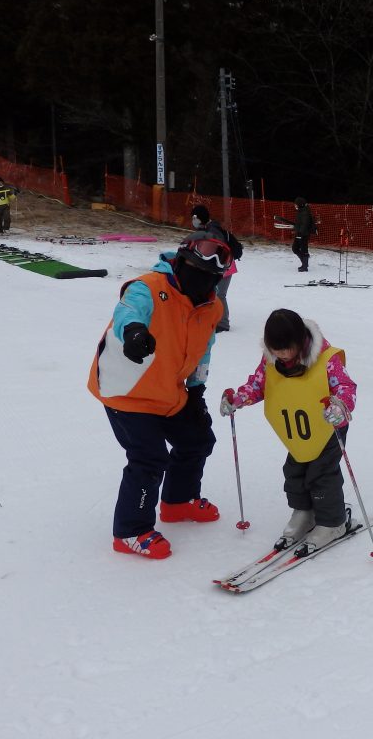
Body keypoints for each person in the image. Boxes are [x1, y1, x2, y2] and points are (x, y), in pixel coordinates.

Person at [87, 232, 232, 559]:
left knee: (197, 439)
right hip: (127, 389)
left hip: (168, 389)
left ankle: (178, 501)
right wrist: (135, 332)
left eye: (212, 275)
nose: (203, 279)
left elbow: (203, 351)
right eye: (198, 269)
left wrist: (197, 392)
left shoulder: (211, 305)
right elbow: (128, 311)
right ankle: (131, 530)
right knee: (149, 457)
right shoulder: (149, 286)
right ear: (182, 260)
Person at [220, 309, 357, 555]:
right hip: (297, 433)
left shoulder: (327, 359)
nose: (282, 354)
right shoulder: (272, 360)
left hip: (328, 428)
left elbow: (345, 386)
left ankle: (332, 522)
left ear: (301, 340)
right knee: (294, 472)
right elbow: (258, 384)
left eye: (287, 348)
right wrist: (238, 399)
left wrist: (341, 405)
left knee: (322, 474)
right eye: (276, 349)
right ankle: (304, 512)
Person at [190, 204, 243, 332]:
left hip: (224, 267)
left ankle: (223, 324)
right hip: (218, 267)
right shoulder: (207, 229)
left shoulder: (213, 231)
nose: (193, 221)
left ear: (199, 218)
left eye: (194, 218)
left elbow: (216, 251)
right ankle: (210, 318)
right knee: (211, 293)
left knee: (220, 294)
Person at [291, 197, 315, 272]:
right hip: (299, 233)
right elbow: (299, 223)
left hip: (303, 234)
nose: (295, 206)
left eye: (296, 204)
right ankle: (304, 262)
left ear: (300, 204)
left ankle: (304, 266)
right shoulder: (300, 211)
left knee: (304, 249)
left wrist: (300, 233)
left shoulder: (305, 212)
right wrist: (295, 228)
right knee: (295, 248)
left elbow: (305, 224)